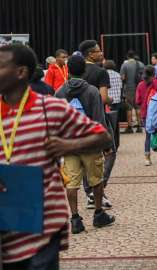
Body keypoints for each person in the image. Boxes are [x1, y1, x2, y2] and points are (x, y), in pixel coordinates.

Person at [0, 44, 110, 269]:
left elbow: (103, 137)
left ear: (20, 72)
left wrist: (67, 144)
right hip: (7, 213)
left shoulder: (49, 107)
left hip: (44, 214)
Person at [55, 55, 116, 233]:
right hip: (90, 143)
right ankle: (98, 215)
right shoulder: (91, 91)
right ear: (84, 71)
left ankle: (75, 219)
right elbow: (99, 119)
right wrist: (107, 144)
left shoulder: (59, 92)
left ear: (68, 71)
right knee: (96, 179)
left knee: (71, 182)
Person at [78, 39, 115, 209]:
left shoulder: (76, 71)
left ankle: (89, 192)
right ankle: (98, 187)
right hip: (98, 116)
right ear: (90, 54)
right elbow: (103, 97)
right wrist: (111, 99)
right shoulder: (101, 72)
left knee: (86, 156)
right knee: (110, 151)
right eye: (98, 51)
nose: (101, 53)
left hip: (80, 119)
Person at [135, 65, 157, 166]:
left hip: (145, 114)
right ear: (154, 74)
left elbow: (137, 101)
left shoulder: (140, 85)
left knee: (148, 136)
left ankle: (147, 158)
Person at [120, 50, 145, 133]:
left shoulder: (125, 65)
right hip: (140, 88)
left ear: (127, 56)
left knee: (129, 108)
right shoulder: (141, 64)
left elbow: (122, 77)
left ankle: (130, 127)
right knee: (138, 107)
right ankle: (139, 126)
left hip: (128, 89)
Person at [104, 60, 123, 150]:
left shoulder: (104, 74)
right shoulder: (118, 75)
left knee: (108, 123)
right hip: (117, 101)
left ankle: (109, 144)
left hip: (107, 101)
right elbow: (120, 87)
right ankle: (117, 143)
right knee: (116, 123)